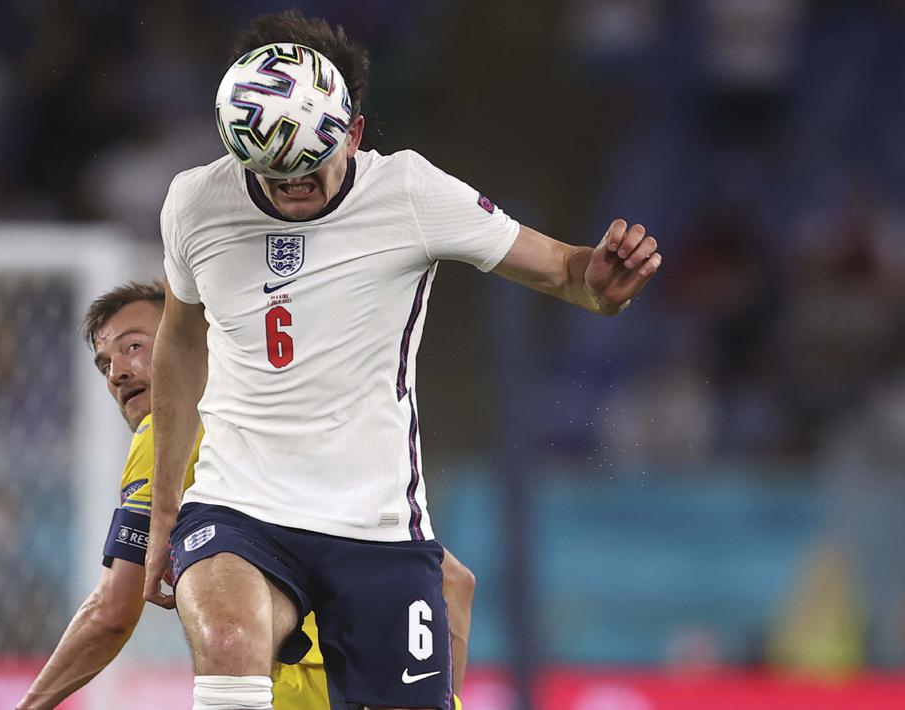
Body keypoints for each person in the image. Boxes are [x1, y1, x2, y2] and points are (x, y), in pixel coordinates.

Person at [145, 10, 663, 710]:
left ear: (352, 134)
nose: (289, 189)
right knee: (230, 646)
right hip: (240, 506)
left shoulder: (411, 194)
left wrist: (600, 283)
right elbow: (179, 338)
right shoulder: (194, 203)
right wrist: (166, 505)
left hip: (376, 528)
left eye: (308, 169)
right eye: (269, 174)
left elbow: (563, 271)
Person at [18, 281, 479, 709]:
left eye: (134, 346)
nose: (118, 372)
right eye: (105, 363)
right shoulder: (290, 431)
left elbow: (113, 612)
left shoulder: (166, 433)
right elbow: (454, 581)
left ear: (189, 343)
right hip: (379, 675)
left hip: (297, 684)